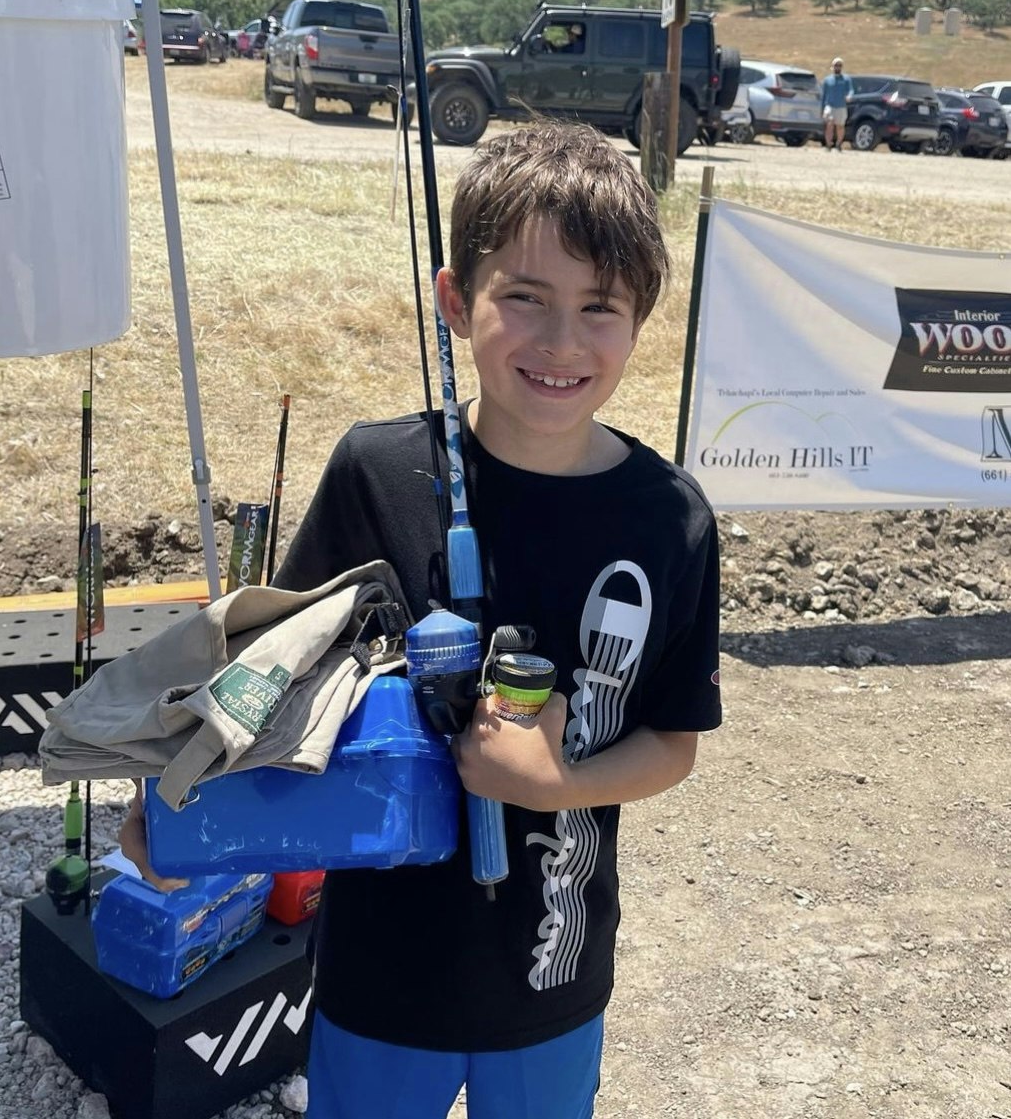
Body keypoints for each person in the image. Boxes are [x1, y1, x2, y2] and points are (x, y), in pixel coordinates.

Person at [121, 121, 722, 1118]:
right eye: (522, 298)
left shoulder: (671, 518)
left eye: (597, 307)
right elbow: (268, 680)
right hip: (379, 979)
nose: (561, 342)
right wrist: (183, 816)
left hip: (552, 975)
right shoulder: (375, 471)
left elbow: (671, 744)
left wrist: (553, 779)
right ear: (455, 298)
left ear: (638, 318)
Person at [820, 56, 854, 150]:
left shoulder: (846, 79)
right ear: (833, 66)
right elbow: (823, 95)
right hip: (830, 106)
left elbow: (851, 90)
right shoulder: (827, 80)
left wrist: (849, 96)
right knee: (829, 125)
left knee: (840, 126)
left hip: (841, 106)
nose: (838, 67)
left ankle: (838, 143)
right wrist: (822, 109)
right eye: (836, 65)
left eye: (839, 65)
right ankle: (828, 144)